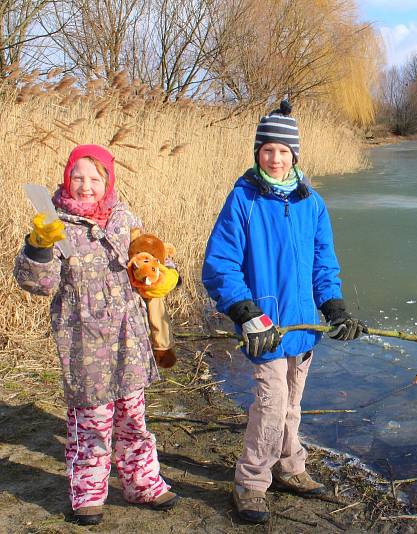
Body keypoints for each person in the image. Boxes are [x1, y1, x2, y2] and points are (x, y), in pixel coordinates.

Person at [202, 101, 365, 524]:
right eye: (267, 149)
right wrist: (245, 312)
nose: (275, 158)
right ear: (257, 152)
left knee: (292, 403)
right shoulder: (243, 199)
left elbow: (323, 262)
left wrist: (334, 307)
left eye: (283, 151)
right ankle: (251, 482)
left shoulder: (312, 203)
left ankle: (290, 466)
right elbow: (220, 264)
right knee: (271, 405)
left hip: (302, 327)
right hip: (265, 328)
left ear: (295, 155)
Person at [14, 144, 180, 526]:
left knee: (133, 419)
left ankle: (143, 483)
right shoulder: (54, 224)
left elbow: (151, 258)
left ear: (107, 182)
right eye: (78, 177)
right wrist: (38, 247)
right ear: (67, 179)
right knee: (91, 423)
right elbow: (39, 285)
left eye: (94, 178)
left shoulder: (123, 218)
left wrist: (165, 273)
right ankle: (88, 491)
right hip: (83, 343)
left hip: (130, 340)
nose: (86, 186)